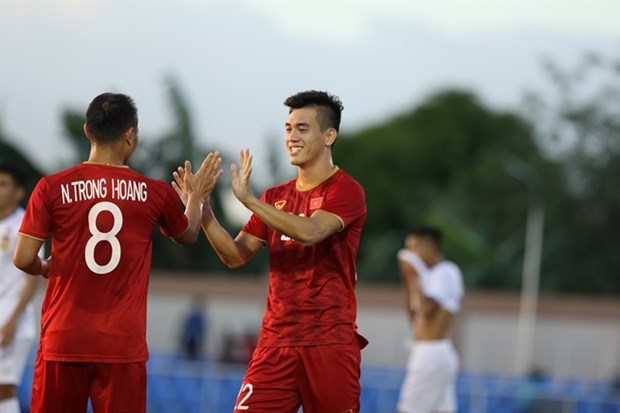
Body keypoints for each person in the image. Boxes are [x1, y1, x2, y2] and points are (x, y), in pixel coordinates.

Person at [12, 92, 223, 413]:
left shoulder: (51, 187)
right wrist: (194, 199)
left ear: (87, 131)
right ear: (131, 135)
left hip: (63, 339)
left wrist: (44, 268)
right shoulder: (155, 192)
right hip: (122, 345)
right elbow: (189, 235)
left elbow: (22, 258)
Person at [173, 90, 368, 413]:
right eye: (288, 128)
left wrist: (249, 201)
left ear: (329, 136)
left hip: (329, 343)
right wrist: (204, 209)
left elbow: (312, 232)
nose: (291, 137)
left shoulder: (346, 189)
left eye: (303, 129)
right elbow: (235, 256)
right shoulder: (276, 196)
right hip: (275, 343)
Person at [396, 225, 464, 413]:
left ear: (429, 246)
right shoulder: (428, 276)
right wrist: (408, 278)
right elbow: (413, 316)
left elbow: (426, 311)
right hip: (427, 352)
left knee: (409, 409)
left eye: (413, 248)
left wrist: (413, 275)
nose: (410, 255)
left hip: (432, 352)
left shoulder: (446, 272)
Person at [0, 163, 39, 413]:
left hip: (11, 320)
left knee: (4, 390)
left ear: (18, 192)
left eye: (3, 185)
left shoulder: (26, 224)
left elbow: (31, 278)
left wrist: (12, 321)